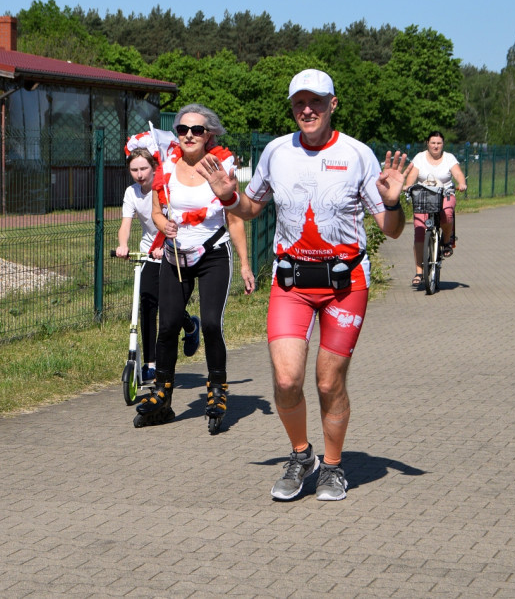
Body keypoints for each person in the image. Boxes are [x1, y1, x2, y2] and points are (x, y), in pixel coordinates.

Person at [199, 69, 408, 501]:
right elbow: (252, 206)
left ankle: (333, 467)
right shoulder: (277, 151)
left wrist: (392, 201)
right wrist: (226, 195)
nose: (307, 110)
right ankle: (302, 456)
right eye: (299, 103)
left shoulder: (357, 155)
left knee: (329, 382)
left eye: (316, 102)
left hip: (345, 285)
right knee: (287, 377)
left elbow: (391, 230)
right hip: (291, 281)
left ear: (333, 105)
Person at [133, 104, 255, 429]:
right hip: (175, 254)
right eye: (183, 129)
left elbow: (235, 217)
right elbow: (157, 210)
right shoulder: (167, 165)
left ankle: (217, 389)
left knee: (213, 323)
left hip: (213, 253)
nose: (189, 135)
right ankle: (162, 395)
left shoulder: (221, 166)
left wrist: (245, 264)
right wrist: (163, 226)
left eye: (197, 130)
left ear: (208, 134)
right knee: (168, 325)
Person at [114, 146, 201, 384]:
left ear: (154, 167)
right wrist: (122, 245)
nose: (139, 174)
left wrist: (165, 244)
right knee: (148, 303)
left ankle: (190, 326)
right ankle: (150, 364)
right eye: (134, 170)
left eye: (144, 168)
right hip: (149, 252)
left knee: (169, 305)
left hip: (173, 247)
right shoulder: (131, 193)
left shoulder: (166, 189)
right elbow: (126, 224)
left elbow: (175, 220)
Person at [402, 131, 468, 287]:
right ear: (428, 143)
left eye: (439, 143)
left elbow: (458, 173)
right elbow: (412, 175)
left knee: (447, 214)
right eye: (433, 143)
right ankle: (419, 272)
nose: (436, 146)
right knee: (419, 231)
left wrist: (462, 183)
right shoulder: (420, 157)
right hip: (423, 195)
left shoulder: (449, 158)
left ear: (443, 144)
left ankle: (446, 241)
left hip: (445, 193)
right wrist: (408, 186)